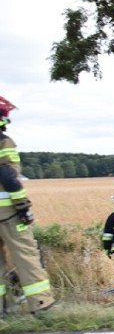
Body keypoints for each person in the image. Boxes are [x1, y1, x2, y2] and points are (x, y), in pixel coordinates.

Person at [0, 96, 57, 314]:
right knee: (26, 255)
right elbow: (7, 175)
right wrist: (22, 206)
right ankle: (41, 304)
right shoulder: (4, 142)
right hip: (7, 214)